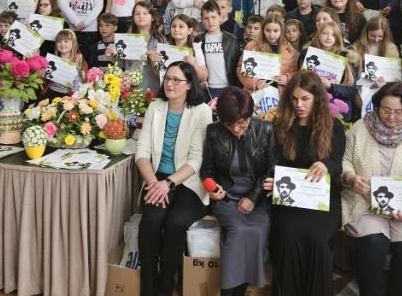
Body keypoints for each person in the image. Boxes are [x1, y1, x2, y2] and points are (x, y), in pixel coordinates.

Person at [342, 82, 402, 296]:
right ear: (377, 105)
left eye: (398, 112)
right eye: (386, 110)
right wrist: (351, 178)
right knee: (373, 245)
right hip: (364, 204)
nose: (391, 116)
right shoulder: (360, 128)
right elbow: (345, 161)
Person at [265, 71, 346, 296]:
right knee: (288, 235)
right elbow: (275, 163)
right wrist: (275, 181)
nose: (299, 105)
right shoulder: (281, 125)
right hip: (289, 197)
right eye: (294, 99)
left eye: (305, 99)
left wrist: (326, 165)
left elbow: (338, 163)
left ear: (317, 98)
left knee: (318, 239)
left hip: (322, 197)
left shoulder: (333, 126)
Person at [135, 61, 212, 296]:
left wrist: (168, 184)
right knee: (150, 221)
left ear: (189, 85)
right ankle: (148, 287)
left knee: (175, 223)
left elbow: (196, 160)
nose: (170, 84)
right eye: (167, 78)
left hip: (188, 180)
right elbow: (142, 153)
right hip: (157, 178)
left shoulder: (202, 111)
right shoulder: (155, 107)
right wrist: (154, 184)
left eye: (176, 80)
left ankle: (166, 285)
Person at [201, 87, 276, 296]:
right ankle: (229, 292)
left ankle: (238, 290)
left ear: (250, 115)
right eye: (229, 124)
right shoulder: (214, 132)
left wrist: (253, 197)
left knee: (257, 230)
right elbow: (206, 171)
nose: (236, 129)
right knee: (238, 231)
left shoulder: (266, 130)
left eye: (242, 123)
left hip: (258, 198)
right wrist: (212, 188)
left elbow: (272, 169)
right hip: (227, 198)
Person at [237, 15, 297, 94]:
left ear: (281, 31)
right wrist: (255, 82)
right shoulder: (252, 46)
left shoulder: (289, 49)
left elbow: (295, 72)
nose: (271, 34)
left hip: (279, 94)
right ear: (263, 30)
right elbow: (240, 69)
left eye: (276, 31)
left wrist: (287, 78)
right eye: (268, 30)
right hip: (254, 93)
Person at [196, 1, 241, 99]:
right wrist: (199, 83)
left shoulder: (231, 39)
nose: (210, 21)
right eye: (206, 18)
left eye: (213, 17)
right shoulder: (198, 40)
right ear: (202, 20)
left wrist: (236, 87)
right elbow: (196, 65)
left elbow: (237, 64)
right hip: (207, 88)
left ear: (220, 17)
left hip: (229, 87)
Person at [168, 14, 208, 82]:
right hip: (170, 86)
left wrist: (194, 64)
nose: (176, 29)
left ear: (189, 31)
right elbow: (161, 75)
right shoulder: (165, 49)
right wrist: (155, 63)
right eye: (173, 26)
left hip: (189, 87)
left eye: (181, 26)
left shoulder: (196, 48)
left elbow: (204, 77)